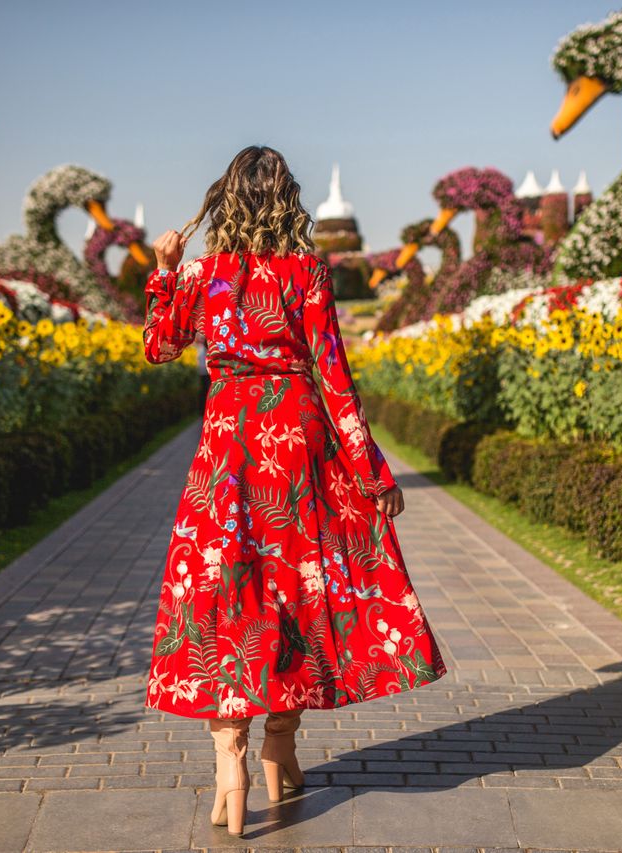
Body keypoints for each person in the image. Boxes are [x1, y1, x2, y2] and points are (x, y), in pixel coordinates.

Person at [141, 146, 446, 837]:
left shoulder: (199, 272)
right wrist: (370, 470)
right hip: (296, 438)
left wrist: (163, 275)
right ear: (286, 199)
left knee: (225, 591)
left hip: (228, 443)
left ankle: (233, 763)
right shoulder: (305, 269)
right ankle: (281, 740)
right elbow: (334, 373)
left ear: (224, 204)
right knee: (298, 586)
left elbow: (160, 346)